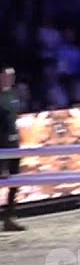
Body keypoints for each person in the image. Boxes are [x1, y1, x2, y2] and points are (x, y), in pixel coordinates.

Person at [1, 66, 26, 231]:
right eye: (6, 76)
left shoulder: (14, 95)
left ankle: (10, 217)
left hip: (14, 144)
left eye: (12, 76)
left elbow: (16, 117)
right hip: (1, 144)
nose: (10, 79)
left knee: (14, 182)